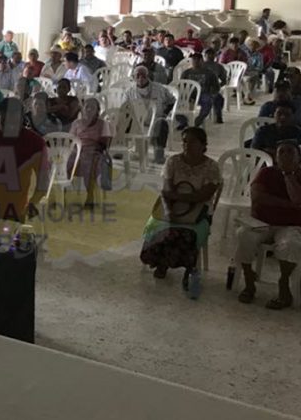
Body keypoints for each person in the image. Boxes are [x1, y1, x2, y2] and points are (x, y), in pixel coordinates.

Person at [139, 128, 221, 288]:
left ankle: (185, 267)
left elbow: (203, 196)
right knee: (158, 227)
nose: (187, 145)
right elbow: (167, 192)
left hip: (199, 211)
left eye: (192, 142)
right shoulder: (173, 162)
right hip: (172, 206)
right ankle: (161, 262)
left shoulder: (211, 166)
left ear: (203, 144)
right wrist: (169, 211)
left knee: (186, 233)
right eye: (184, 141)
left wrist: (177, 196)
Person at [235, 142, 301, 309]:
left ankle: (284, 283)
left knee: (291, 244)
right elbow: (258, 197)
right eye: (281, 152)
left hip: (290, 225)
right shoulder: (266, 173)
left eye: (290, 152)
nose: (285, 155)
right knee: (244, 235)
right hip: (261, 222)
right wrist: (289, 205)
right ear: (276, 157)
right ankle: (249, 281)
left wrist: (288, 175)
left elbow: (297, 199)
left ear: (298, 157)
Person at [0, 98, 50, 230]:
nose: (10, 126)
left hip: (16, 209)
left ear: (23, 118)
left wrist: (31, 204)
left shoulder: (36, 144)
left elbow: (43, 183)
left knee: (10, 246)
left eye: (15, 121)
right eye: (6, 121)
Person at [124, 66, 176, 164]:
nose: (140, 78)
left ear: (148, 76)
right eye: (137, 75)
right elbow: (126, 108)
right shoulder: (129, 92)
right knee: (122, 120)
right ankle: (122, 149)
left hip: (156, 117)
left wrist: (165, 113)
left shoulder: (159, 88)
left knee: (162, 123)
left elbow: (172, 101)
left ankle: (159, 155)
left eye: (143, 75)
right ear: (134, 77)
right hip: (137, 120)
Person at [70, 98, 112, 208]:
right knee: (65, 161)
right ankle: (61, 195)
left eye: (92, 107)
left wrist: (91, 148)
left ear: (98, 111)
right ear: (82, 109)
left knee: (89, 163)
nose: (89, 110)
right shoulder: (76, 123)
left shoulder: (103, 124)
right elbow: (70, 140)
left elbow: (104, 145)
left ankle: (90, 197)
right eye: (86, 107)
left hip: (95, 151)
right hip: (78, 150)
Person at [181, 53, 225, 127]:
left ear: (202, 61)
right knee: (174, 102)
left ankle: (200, 119)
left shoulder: (209, 73)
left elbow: (216, 87)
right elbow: (181, 85)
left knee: (210, 100)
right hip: (189, 94)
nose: (195, 61)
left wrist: (212, 94)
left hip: (203, 94)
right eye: (193, 59)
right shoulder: (186, 73)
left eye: (197, 59)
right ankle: (183, 121)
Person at [242, 39, 267, 106]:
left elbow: (260, 67)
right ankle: (248, 97)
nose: (252, 47)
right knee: (244, 78)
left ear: (257, 47)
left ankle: (247, 97)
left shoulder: (259, 55)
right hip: (242, 70)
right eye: (251, 45)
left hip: (252, 71)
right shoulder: (244, 53)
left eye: (255, 45)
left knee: (253, 76)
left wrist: (252, 70)